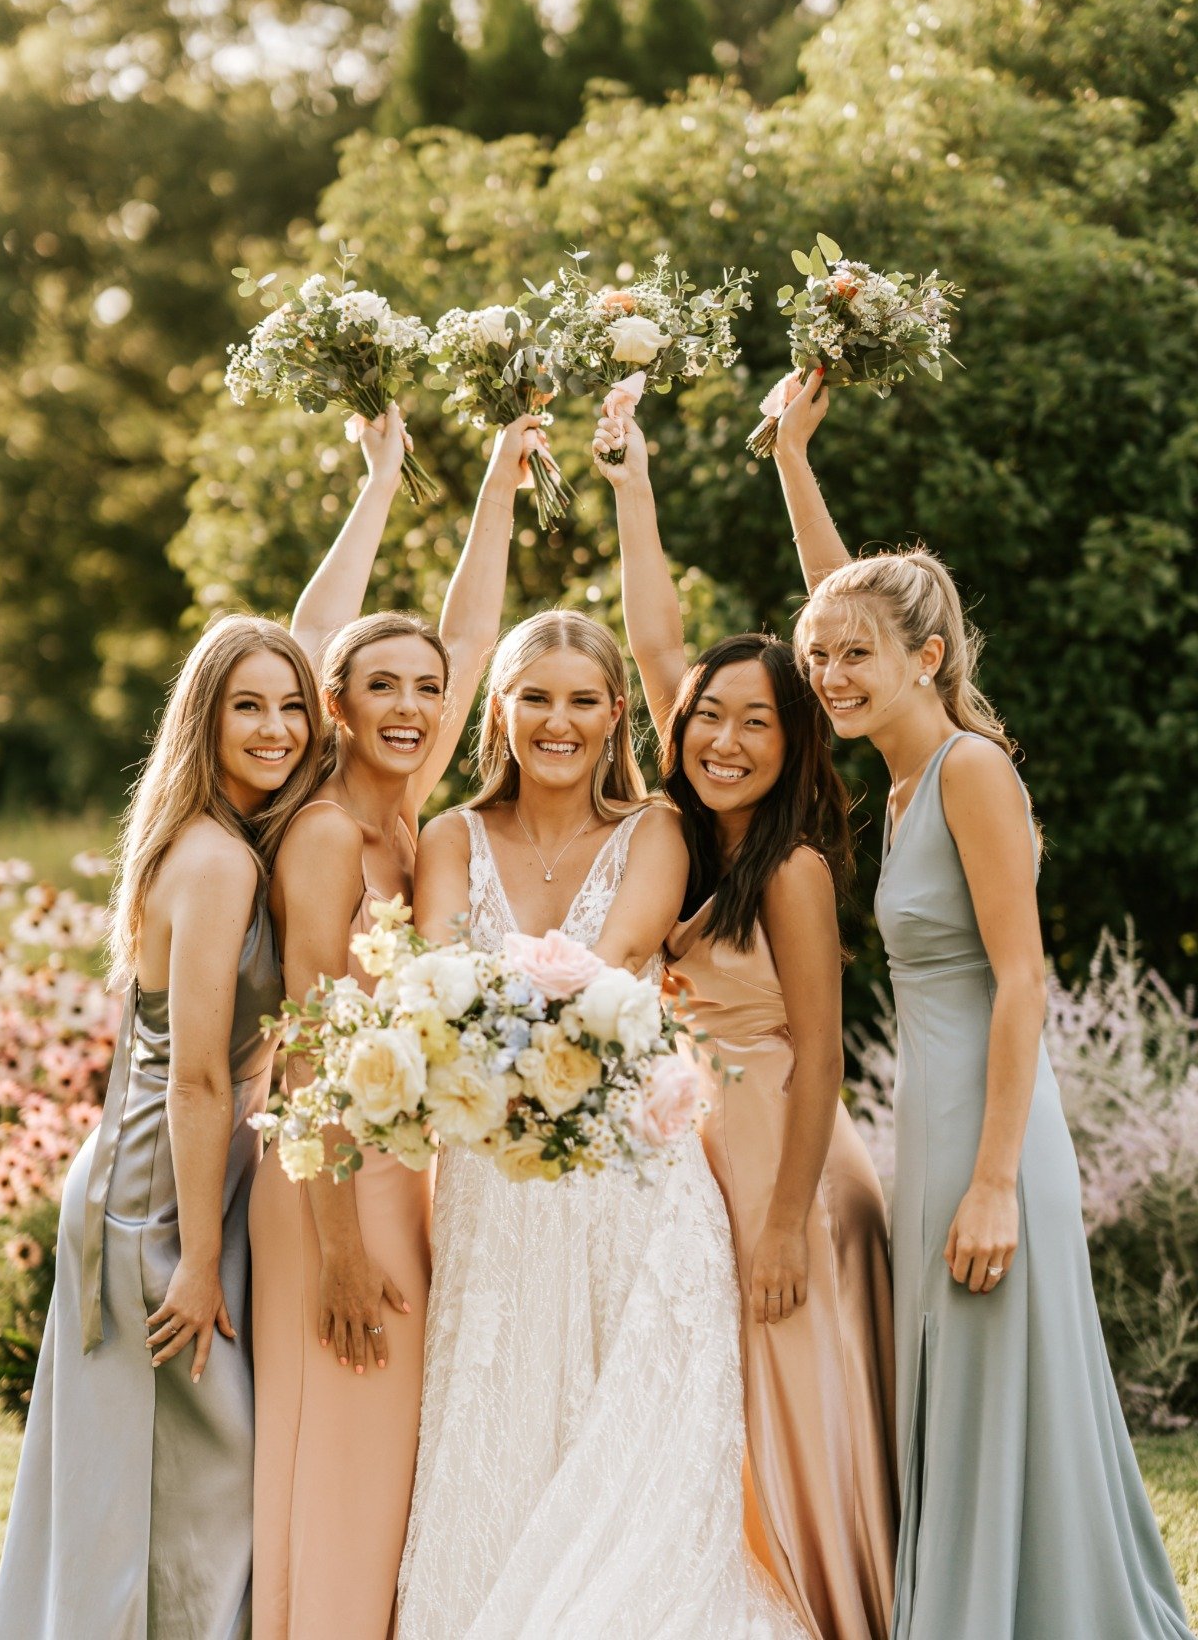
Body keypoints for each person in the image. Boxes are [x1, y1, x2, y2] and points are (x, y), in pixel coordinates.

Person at [776, 368, 1193, 1640]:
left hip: (991, 1139)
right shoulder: (902, 782)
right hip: (942, 1130)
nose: (833, 676)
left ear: (930, 658)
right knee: (956, 1392)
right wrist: (793, 459)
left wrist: (998, 1178)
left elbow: (1025, 980)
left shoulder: (970, 774)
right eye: (821, 659)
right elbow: (842, 606)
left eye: (859, 659)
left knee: (996, 1385)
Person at [395, 610, 802, 1639]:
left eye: (583, 700)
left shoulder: (655, 830)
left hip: (630, 1176)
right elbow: (433, 977)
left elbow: (614, 965)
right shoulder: (449, 837)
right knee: (499, 1411)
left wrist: (479, 1014)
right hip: (492, 1178)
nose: (559, 721)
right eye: (536, 696)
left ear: (618, 713)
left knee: (627, 1434)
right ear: (500, 708)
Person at [596, 410, 898, 1640]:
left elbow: (824, 1050)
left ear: (795, 739)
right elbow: (656, 637)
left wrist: (783, 1224)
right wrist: (634, 483)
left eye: (757, 722)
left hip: (788, 1152)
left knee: (793, 1394)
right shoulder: (686, 824)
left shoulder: (794, 868)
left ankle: (835, 1607)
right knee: (721, 1399)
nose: (724, 738)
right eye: (708, 716)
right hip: (700, 1135)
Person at [250, 406, 540, 1639]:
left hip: (398, 1163)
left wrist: (497, 481)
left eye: (429, 688)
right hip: (327, 1173)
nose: (417, 702)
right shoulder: (320, 832)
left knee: (397, 1451)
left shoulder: (414, 814)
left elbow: (472, 631)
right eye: (385, 686)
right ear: (338, 703)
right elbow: (313, 1044)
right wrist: (337, 1249)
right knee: (346, 1443)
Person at [0, 616, 321, 1639]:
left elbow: (315, 620)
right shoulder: (218, 861)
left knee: (143, 1475)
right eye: (248, 707)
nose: (277, 728)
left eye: (293, 705)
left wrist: (382, 486)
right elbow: (193, 1078)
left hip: (183, 1180)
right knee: (185, 1482)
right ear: (205, 717)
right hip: (155, 1200)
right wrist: (188, 1258)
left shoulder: (228, 834)